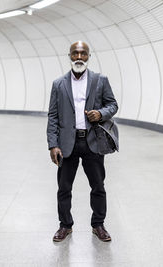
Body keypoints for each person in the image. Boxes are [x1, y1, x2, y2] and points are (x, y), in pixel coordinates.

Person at [46, 41, 118, 242]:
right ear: (69, 55)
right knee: (64, 188)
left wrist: (101, 113)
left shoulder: (100, 80)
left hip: (92, 142)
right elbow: (52, 115)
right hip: (67, 144)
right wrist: (53, 144)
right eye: (75, 53)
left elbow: (113, 105)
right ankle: (65, 226)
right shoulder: (58, 84)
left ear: (88, 56)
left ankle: (98, 224)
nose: (79, 57)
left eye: (83, 54)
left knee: (98, 186)